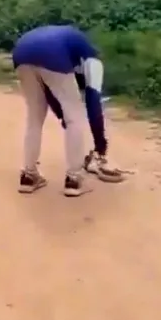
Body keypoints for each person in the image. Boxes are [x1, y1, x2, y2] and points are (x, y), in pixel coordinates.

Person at [11, 25, 125, 197]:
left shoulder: (72, 50)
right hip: (51, 52)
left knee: (35, 116)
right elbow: (94, 104)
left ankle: (29, 175)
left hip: (21, 52)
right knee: (76, 117)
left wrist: (64, 118)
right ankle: (74, 178)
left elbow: (51, 94)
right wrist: (100, 147)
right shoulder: (94, 62)